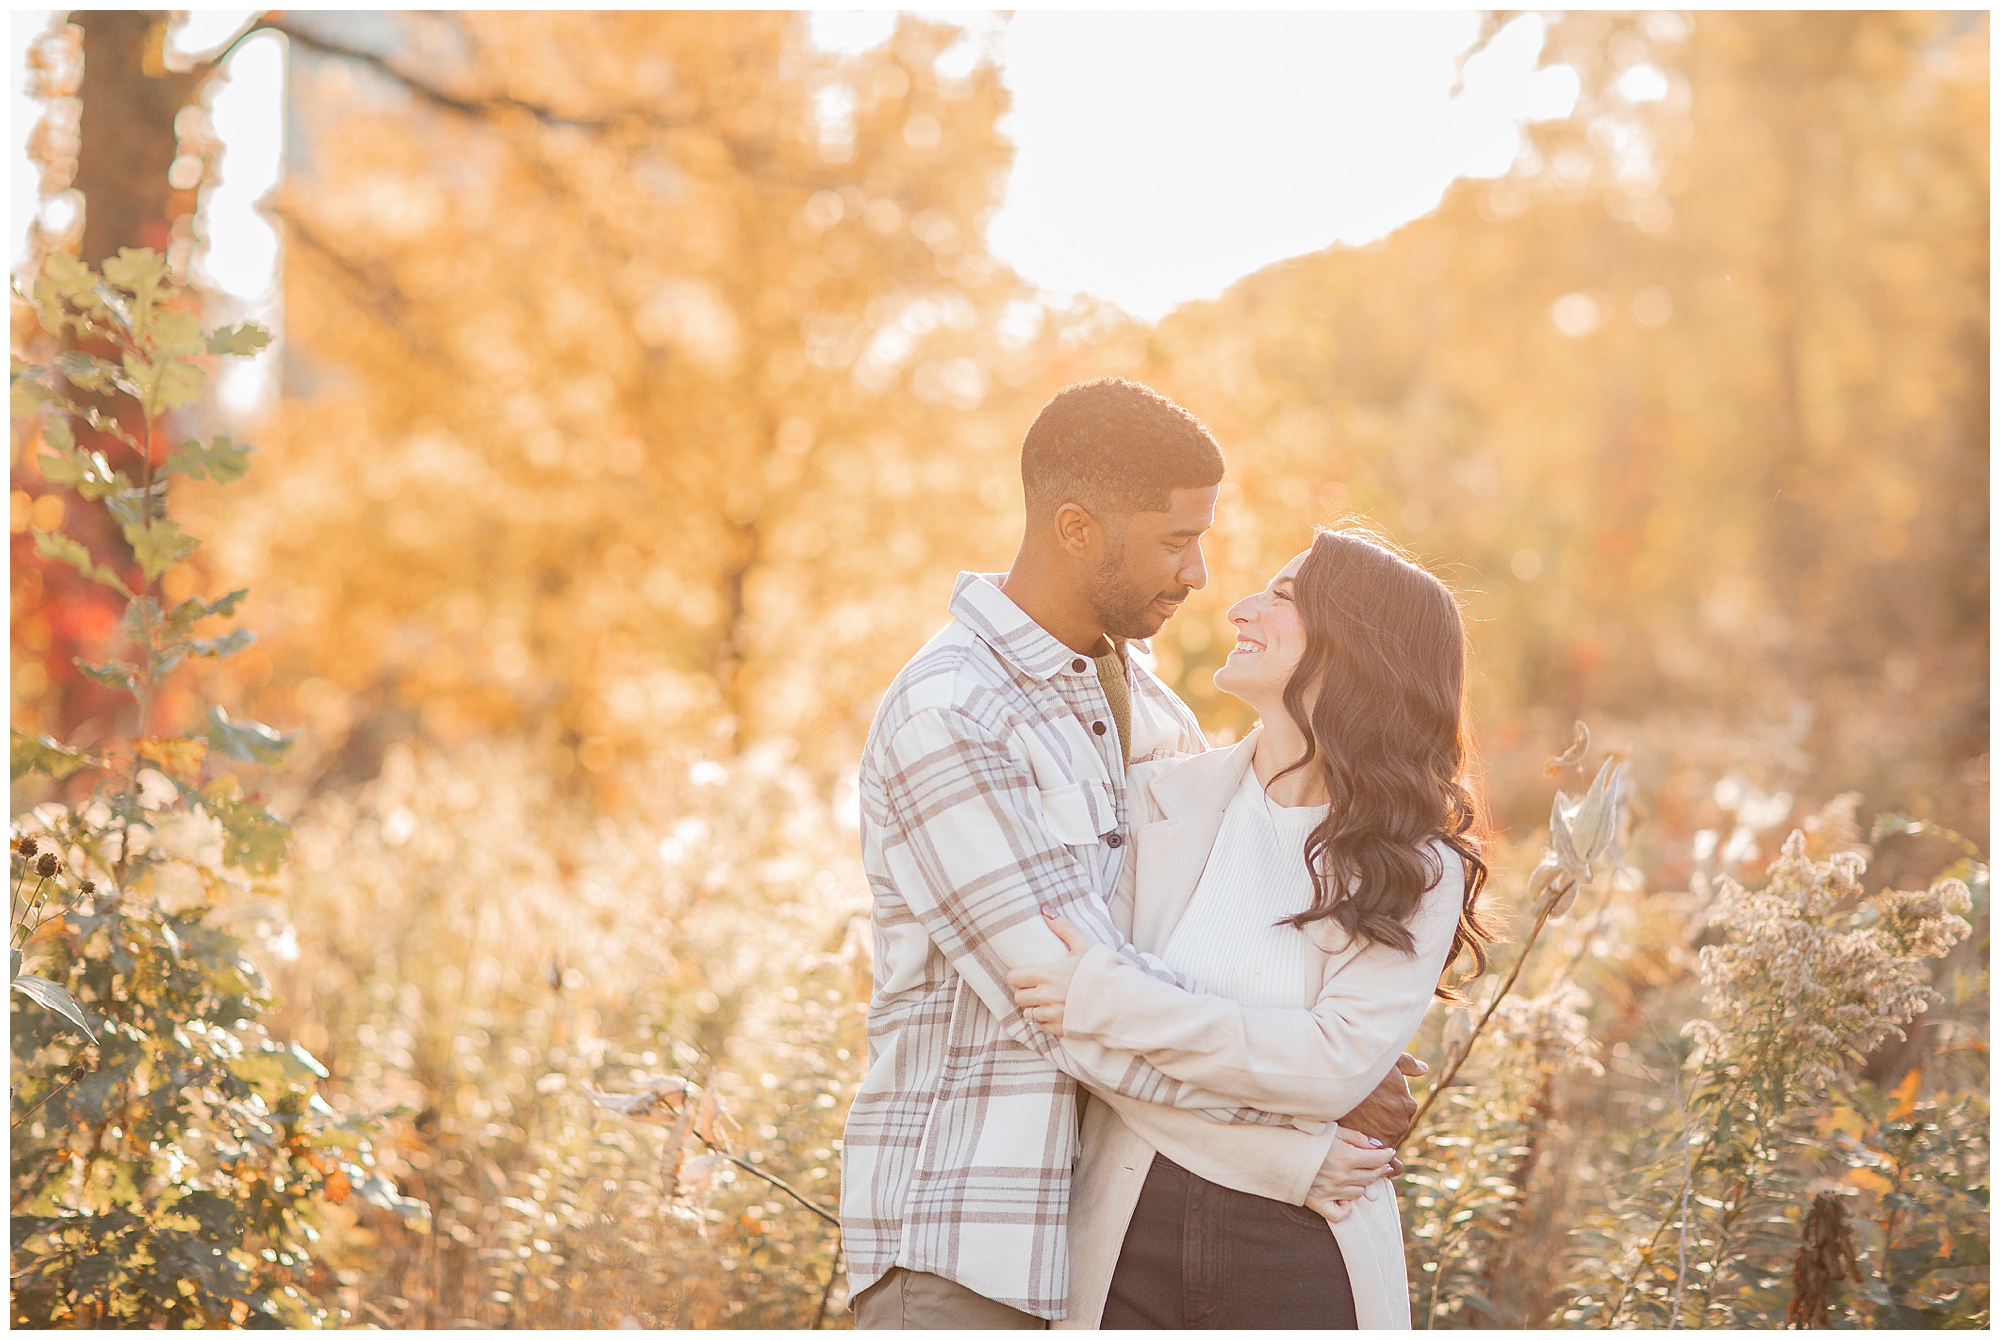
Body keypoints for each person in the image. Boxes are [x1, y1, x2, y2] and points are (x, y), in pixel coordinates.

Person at [841, 379, 1426, 1329]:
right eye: (1172, 540)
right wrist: (1302, 1110)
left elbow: (1182, 959)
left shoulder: (1144, 705)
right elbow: (1064, 1005)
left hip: (1100, 1242)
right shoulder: (953, 714)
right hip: (967, 1253)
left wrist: (1329, 1063)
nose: (1199, 573)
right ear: (1076, 528)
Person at [1008, 526, 1498, 1328]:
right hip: (1127, 1242)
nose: (1239, 608)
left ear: (1357, 647)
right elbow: (1082, 1049)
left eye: (1282, 597)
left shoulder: (1416, 866)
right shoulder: (1153, 800)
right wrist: (1285, 1156)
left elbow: (1330, 1069)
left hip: (1303, 1258)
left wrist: (1108, 1000)